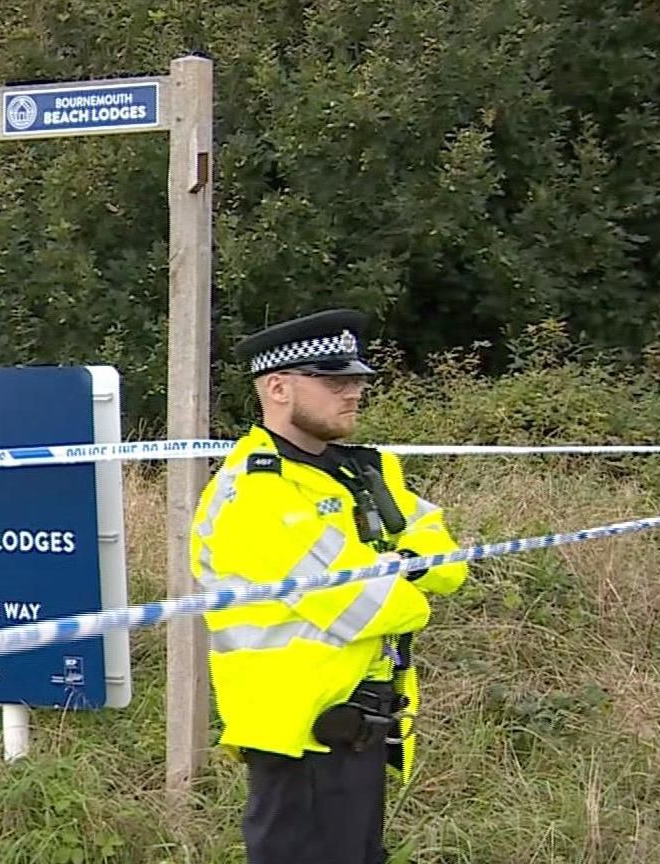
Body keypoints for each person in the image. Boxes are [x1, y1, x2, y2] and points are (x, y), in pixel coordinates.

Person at [189, 309, 468, 864]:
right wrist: (408, 567)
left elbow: (450, 563)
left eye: (358, 379)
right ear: (278, 388)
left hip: (362, 725)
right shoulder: (255, 494)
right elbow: (373, 606)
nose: (355, 392)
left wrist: (399, 564)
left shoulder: (365, 469)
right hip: (299, 736)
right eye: (335, 380)